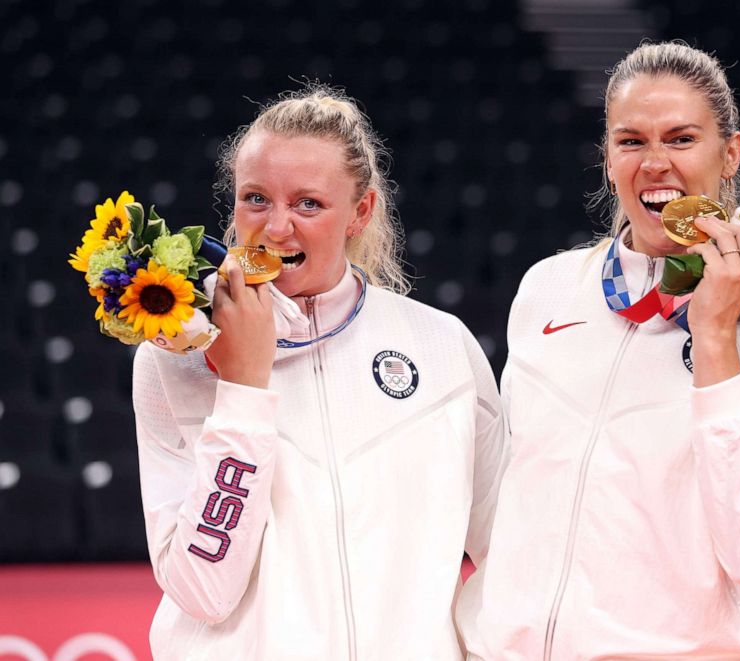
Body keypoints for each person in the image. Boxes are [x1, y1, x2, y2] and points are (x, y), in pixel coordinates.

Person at [456, 41, 740, 660]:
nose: (654, 163)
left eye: (681, 138)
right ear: (608, 159)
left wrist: (715, 338)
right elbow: (506, 497)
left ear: (730, 153)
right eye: (631, 141)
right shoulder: (548, 287)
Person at [131, 87, 506, 660]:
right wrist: (244, 387)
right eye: (256, 199)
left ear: (361, 212)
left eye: (308, 204)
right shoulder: (174, 355)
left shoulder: (440, 346)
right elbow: (202, 591)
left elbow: (507, 553)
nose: (277, 228)